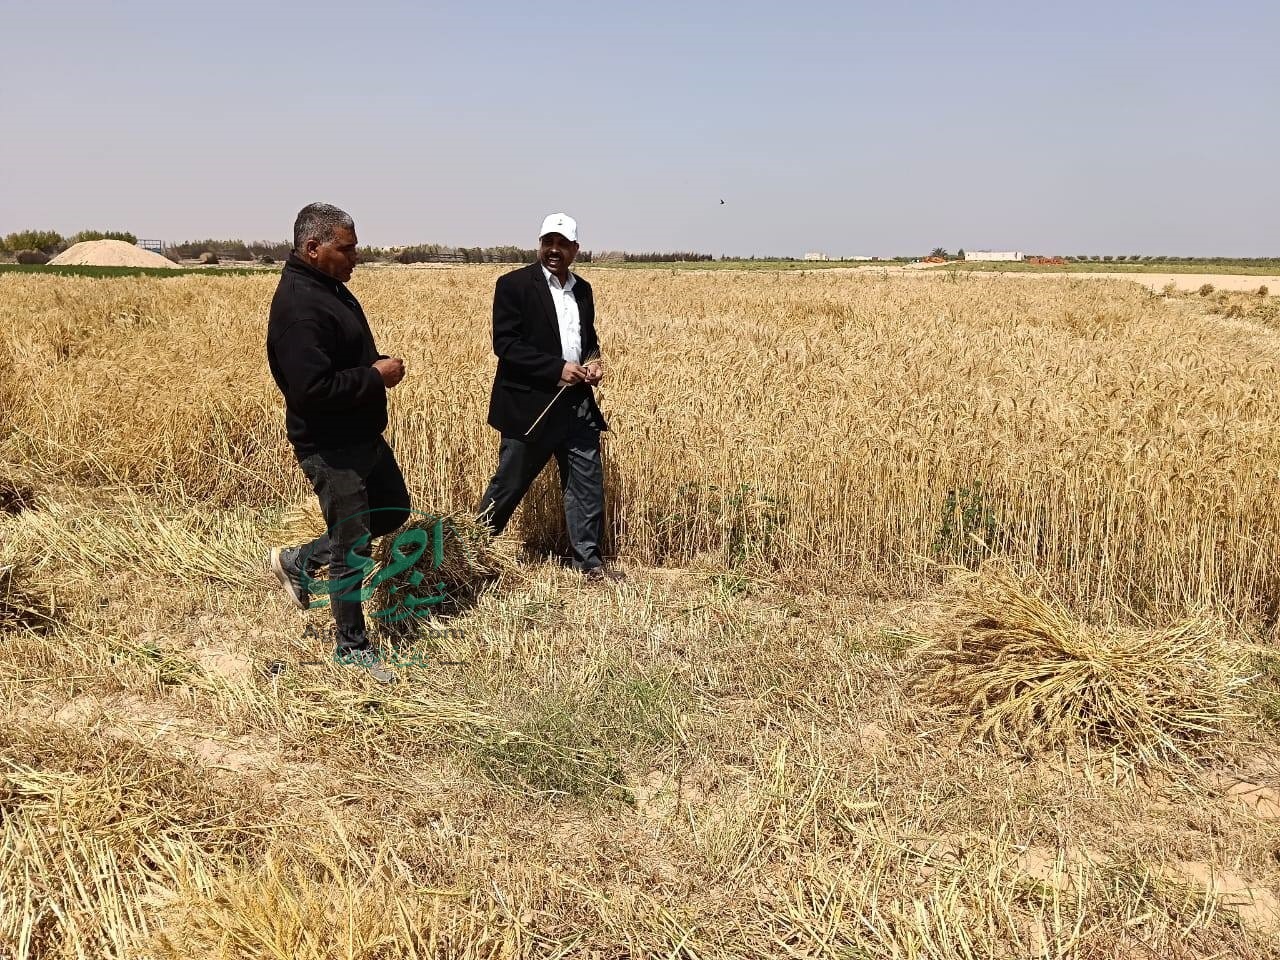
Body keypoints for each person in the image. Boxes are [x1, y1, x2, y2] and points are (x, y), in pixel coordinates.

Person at [265, 202, 410, 682]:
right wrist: (374, 377)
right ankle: (352, 648)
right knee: (352, 545)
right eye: (346, 249)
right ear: (313, 248)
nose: (355, 257)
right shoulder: (299, 308)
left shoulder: (328, 288)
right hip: (330, 446)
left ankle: (299, 561)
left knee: (393, 509)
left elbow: (341, 360)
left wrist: (372, 367)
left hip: (361, 434)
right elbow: (311, 391)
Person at [476, 213, 623, 582]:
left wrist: (593, 362)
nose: (554, 250)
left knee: (586, 484)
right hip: (532, 407)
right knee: (509, 484)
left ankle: (588, 563)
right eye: (548, 242)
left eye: (562, 244)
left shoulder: (582, 289)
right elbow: (506, 344)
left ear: (575, 249)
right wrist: (557, 368)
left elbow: (588, 340)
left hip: (577, 404)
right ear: (540, 244)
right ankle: (469, 554)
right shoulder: (513, 285)